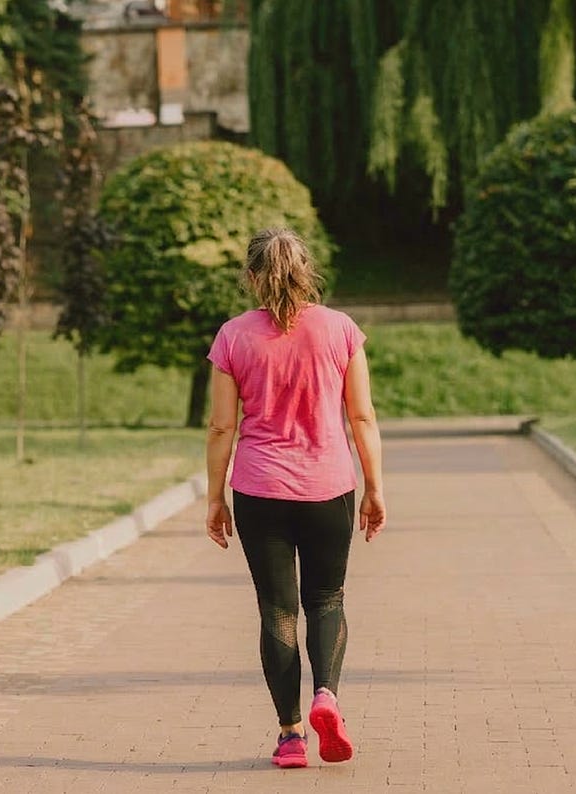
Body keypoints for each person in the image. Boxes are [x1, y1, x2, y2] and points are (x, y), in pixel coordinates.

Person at [204, 227, 386, 769]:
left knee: (277, 611)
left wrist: (215, 498)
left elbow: (221, 427)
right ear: (307, 272)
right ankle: (326, 695)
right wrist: (374, 487)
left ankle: (290, 736)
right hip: (329, 487)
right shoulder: (341, 330)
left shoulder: (233, 337)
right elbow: (362, 417)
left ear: (251, 277)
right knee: (327, 599)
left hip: (259, 490)